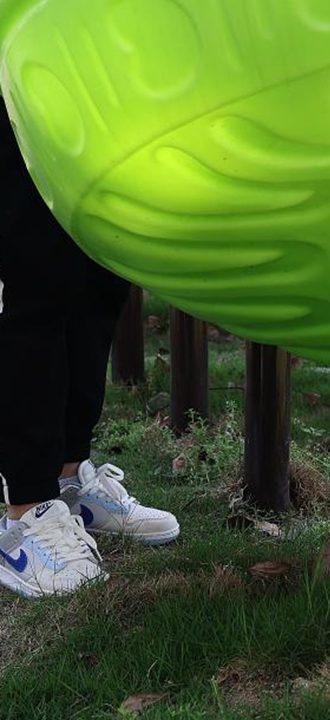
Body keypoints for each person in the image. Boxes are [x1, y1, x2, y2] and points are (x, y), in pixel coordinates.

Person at [0, 100, 180, 599]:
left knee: (98, 273)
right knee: (30, 268)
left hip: (90, 79)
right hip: (12, 76)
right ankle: (25, 513)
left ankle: (67, 481)